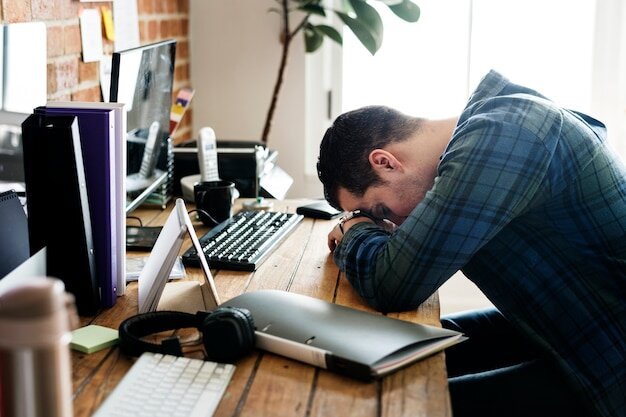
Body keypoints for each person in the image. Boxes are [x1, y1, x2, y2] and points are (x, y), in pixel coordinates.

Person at [316, 70, 626, 417]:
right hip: (565, 324)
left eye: (380, 210)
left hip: (609, 363)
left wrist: (353, 231)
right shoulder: (495, 125)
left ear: (385, 162)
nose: (391, 224)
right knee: (388, 344)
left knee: (394, 407)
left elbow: (393, 284)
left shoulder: (505, 134)